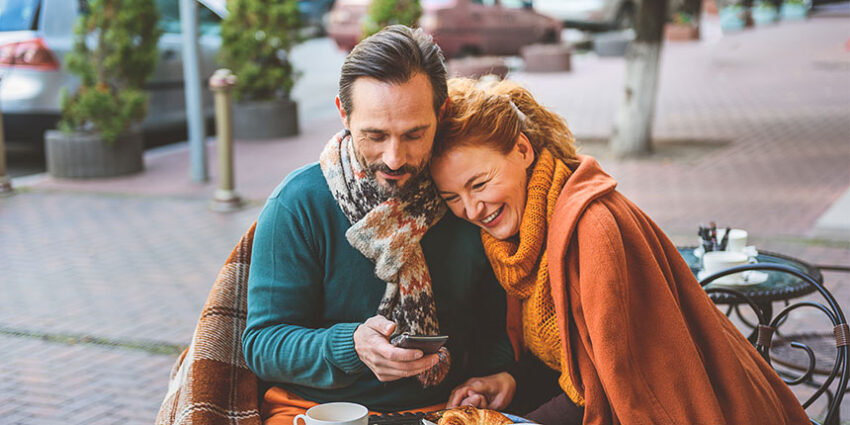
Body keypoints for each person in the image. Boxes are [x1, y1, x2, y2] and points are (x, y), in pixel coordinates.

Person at [431, 78, 810, 425]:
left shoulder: (591, 229)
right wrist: (509, 382)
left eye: (479, 183)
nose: (471, 209)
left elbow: (615, 394)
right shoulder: (521, 241)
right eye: (453, 197)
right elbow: (580, 366)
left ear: (523, 150)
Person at [242, 27, 514, 425]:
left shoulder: (463, 197)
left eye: (414, 134)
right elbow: (263, 345)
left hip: (442, 412)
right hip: (316, 414)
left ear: (440, 114)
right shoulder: (299, 203)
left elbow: (495, 323)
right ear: (343, 113)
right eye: (374, 135)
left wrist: (498, 375)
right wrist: (350, 346)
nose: (394, 158)